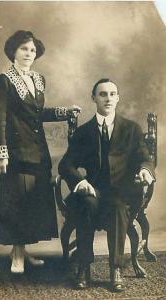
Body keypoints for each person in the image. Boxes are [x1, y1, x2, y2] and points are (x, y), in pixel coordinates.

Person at [0, 30, 81, 274]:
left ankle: (23, 250)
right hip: (16, 153)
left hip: (38, 151)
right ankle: (17, 255)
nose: (29, 53)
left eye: (32, 50)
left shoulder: (38, 79)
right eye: (24, 49)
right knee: (17, 202)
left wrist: (64, 112)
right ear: (13, 51)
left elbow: (37, 115)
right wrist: (1, 153)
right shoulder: (4, 81)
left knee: (32, 202)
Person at [58, 78, 155, 291]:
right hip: (94, 191)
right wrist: (80, 182)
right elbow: (66, 165)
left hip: (121, 192)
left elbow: (144, 158)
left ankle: (115, 269)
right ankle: (83, 267)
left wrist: (145, 170)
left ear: (118, 98)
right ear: (94, 98)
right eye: (102, 94)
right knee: (85, 204)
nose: (108, 98)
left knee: (119, 207)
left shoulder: (131, 129)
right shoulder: (84, 132)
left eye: (112, 94)